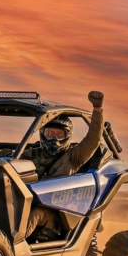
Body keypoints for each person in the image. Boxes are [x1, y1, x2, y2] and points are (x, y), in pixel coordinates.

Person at [22, 90, 106, 241]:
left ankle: (7, 245)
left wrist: (97, 110)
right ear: (42, 134)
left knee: (34, 213)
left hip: (54, 214)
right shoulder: (31, 154)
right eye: (50, 133)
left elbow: (93, 140)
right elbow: (8, 159)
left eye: (59, 134)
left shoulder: (73, 156)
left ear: (67, 136)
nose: (54, 139)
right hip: (25, 202)